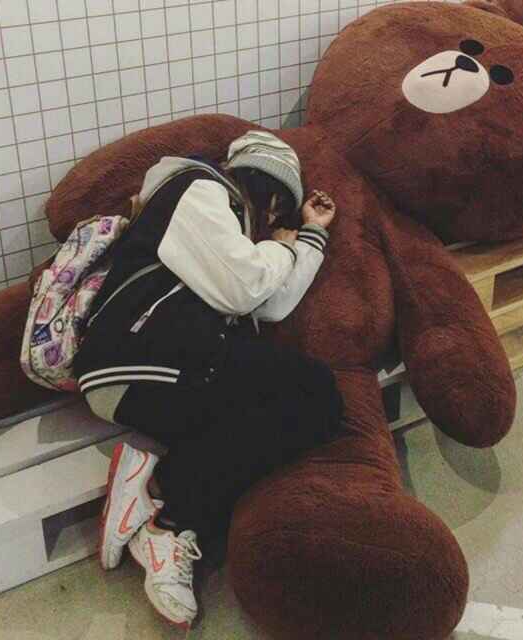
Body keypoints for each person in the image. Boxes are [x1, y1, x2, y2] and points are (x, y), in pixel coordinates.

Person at [73, 130, 343, 630]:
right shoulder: (197, 188)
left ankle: (157, 495)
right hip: (136, 357)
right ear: (269, 192)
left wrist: (311, 235)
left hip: (171, 365)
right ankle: (168, 520)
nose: (273, 224)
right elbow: (247, 286)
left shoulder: (225, 222)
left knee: (310, 401)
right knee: (313, 393)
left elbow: (273, 302)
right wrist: (282, 247)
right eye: (278, 211)